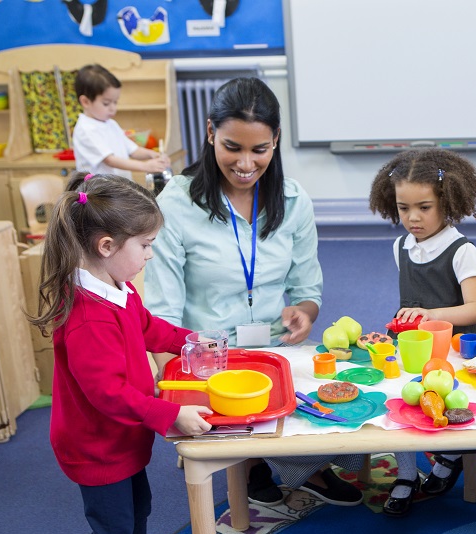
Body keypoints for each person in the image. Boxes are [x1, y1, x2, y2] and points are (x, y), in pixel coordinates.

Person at [144, 77, 364, 508]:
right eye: (232, 147)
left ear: (276, 141)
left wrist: (304, 311)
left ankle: (283, 462)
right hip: (207, 356)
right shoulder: (176, 203)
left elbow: (306, 287)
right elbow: (162, 307)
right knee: (252, 422)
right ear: (210, 134)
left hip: (272, 347)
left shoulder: (293, 199)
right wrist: (177, 386)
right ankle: (258, 463)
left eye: (259, 150)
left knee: (347, 410)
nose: (246, 163)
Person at [27, 173, 213, 534]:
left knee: (139, 510)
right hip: (95, 446)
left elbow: (146, 326)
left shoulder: (119, 286)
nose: (150, 254)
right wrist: (170, 416)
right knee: (112, 533)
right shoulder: (88, 314)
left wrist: (187, 340)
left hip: (122, 438)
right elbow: (106, 393)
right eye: (146, 245)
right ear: (107, 245)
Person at [367, 148, 476, 517]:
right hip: (416, 349)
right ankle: (406, 473)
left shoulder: (462, 250)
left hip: (454, 353)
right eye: (404, 208)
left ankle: (450, 454)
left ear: (447, 202)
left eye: (424, 207)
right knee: (396, 398)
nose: (413, 218)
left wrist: (430, 313)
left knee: (445, 398)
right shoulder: (400, 246)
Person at [72, 64, 171, 179]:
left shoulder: (111, 124)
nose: (113, 108)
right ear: (85, 102)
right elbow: (109, 160)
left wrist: (153, 155)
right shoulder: (86, 129)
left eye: (115, 102)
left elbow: (133, 150)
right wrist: (145, 166)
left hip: (117, 187)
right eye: (106, 103)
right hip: (98, 192)